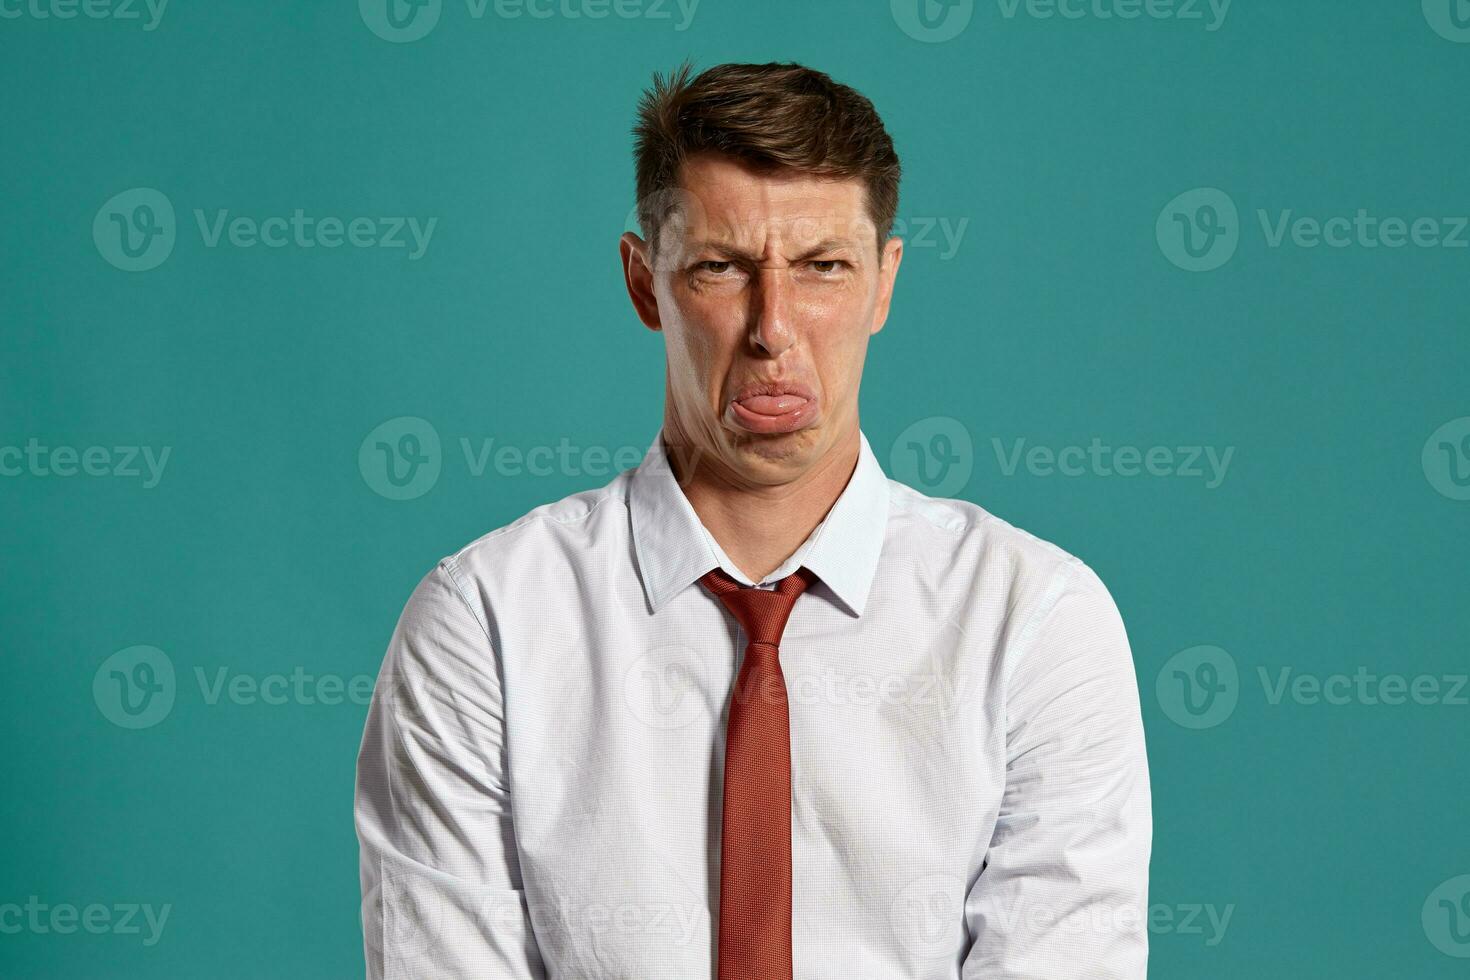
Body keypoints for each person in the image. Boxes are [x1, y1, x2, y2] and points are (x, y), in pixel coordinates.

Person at [355, 59, 1151, 979]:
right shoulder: (485, 623)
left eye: (823, 268)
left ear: (884, 284)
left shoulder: (1036, 621)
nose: (774, 328)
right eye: (722, 268)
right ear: (644, 282)